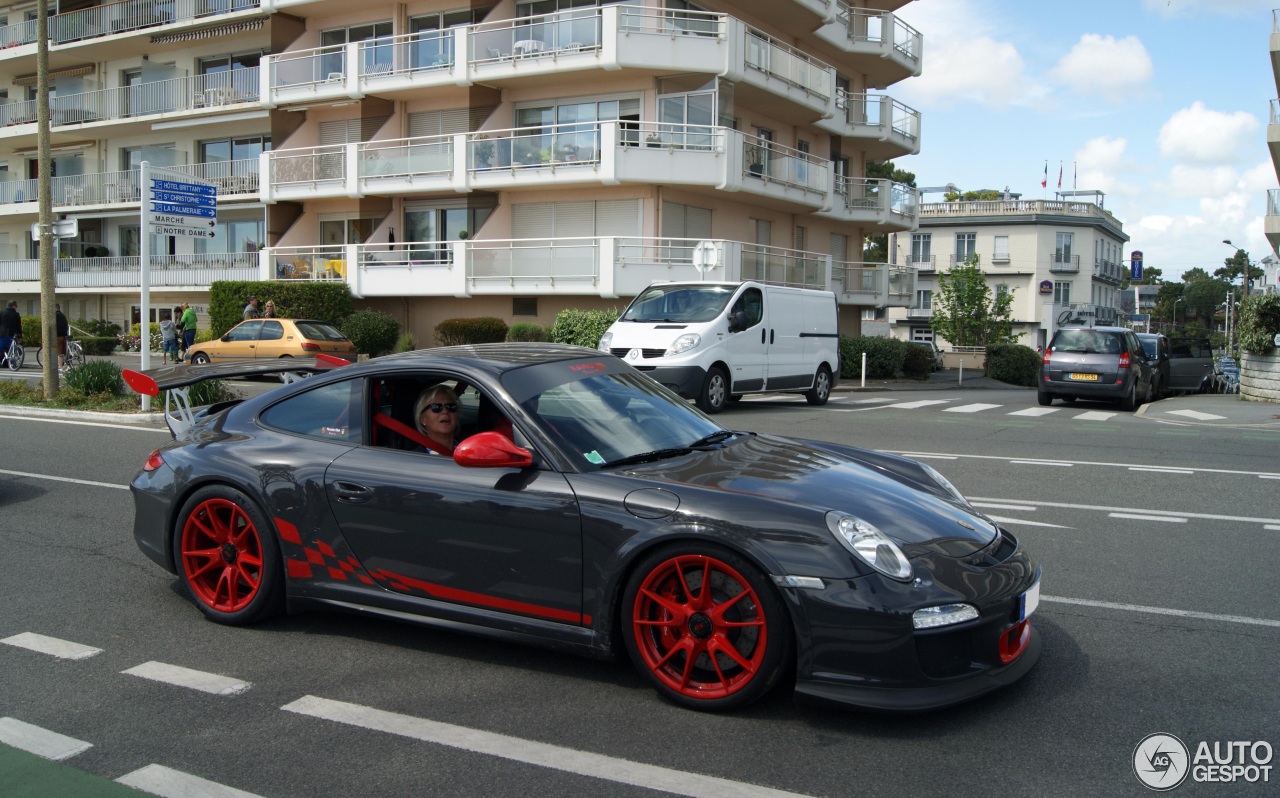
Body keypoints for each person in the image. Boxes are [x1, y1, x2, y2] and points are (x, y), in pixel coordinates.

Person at [414, 384, 460, 455]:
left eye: (451, 407)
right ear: (422, 419)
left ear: (457, 418)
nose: (445, 411)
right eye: (436, 407)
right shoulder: (415, 458)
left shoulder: (470, 450)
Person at [54, 303, 69, 371]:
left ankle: (60, 366)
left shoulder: (55, 316)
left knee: (59, 352)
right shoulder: (63, 315)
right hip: (64, 335)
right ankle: (63, 364)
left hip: (58, 335)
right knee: (63, 352)